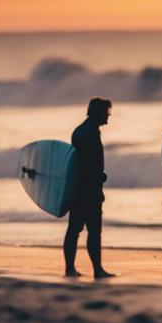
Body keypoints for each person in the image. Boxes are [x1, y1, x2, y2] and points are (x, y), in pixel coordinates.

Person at [63, 97, 115, 279]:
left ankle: (69, 268)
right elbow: (89, 165)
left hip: (77, 189)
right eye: (107, 111)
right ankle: (98, 270)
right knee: (94, 232)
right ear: (98, 112)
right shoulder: (90, 133)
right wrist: (100, 179)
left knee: (74, 229)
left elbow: (78, 164)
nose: (109, 115)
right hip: (89, 191)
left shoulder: (80, 130)